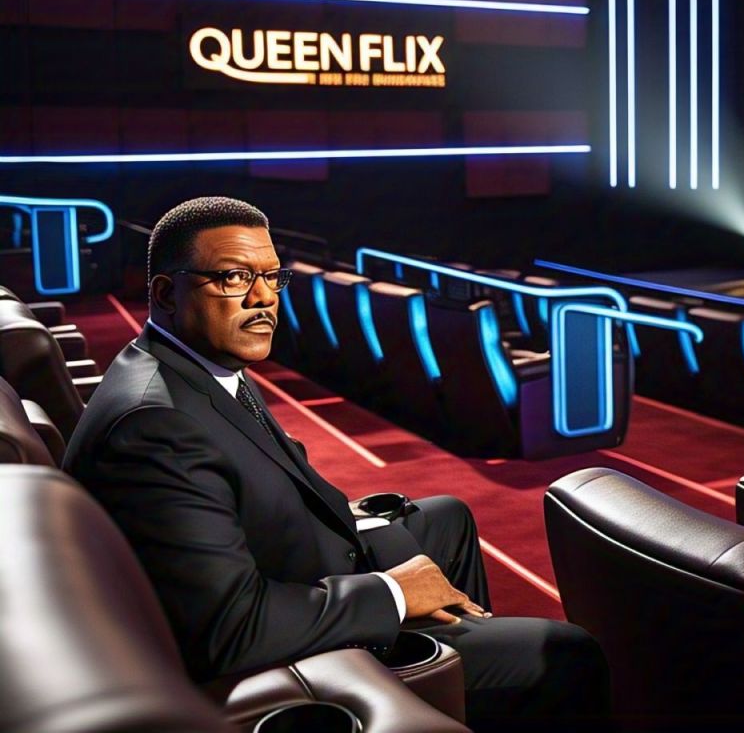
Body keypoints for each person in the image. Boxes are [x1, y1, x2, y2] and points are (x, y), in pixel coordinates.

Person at [63, 197, 609, 732]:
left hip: (281, 560)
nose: (263, 297)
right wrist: (394, 593)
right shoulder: (155, 425)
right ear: (165, 293)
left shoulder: (197, 363)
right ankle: (444, 668)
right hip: (283, 646)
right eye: (234, 278)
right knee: (564, 650)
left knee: (448, 517)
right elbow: (232, 628)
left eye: (271, 277)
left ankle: (455, 672)